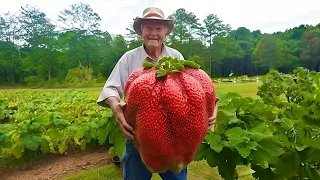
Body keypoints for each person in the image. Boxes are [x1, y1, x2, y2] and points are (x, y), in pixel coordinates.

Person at [97, 7, 219, 180]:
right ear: (141, 32)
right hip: (138, 136)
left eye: (159, 28)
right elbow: (110, 88)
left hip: (176, 137)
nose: (153, 33)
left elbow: (194, 87)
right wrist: (116, 107)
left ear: (166, 32)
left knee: (176, 177)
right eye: (148, 28)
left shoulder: (176, 57)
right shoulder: (129, 58)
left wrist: (211, 106)